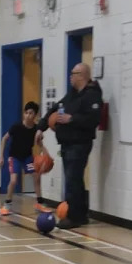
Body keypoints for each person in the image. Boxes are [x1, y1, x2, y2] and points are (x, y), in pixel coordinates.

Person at [41, 63, 103, 229]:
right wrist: (41, 127)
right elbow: (55, 108)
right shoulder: (72, 95)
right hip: (67, 143)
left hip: (80, 143)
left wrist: (72, 119)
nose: (70, 76)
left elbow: (93, 119)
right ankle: (81, 214)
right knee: (75, 179)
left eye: (73, 73)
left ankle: (74, 217)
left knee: (72, 179)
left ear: (82, 75)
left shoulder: (92, 96)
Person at [0, 101, 42, 218]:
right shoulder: (16, 127)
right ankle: (6, 205)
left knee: (36, 176)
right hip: (15, 157)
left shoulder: (35, 129)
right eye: (26, 113)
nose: (28, 115)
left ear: (35, 115)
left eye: (31, 113)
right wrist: (1, 156)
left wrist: (47, 155)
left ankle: (39, 203)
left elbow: (39, 143)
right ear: (24, 114)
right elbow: (4, 139)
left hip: (27, 157)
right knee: (13, 180)